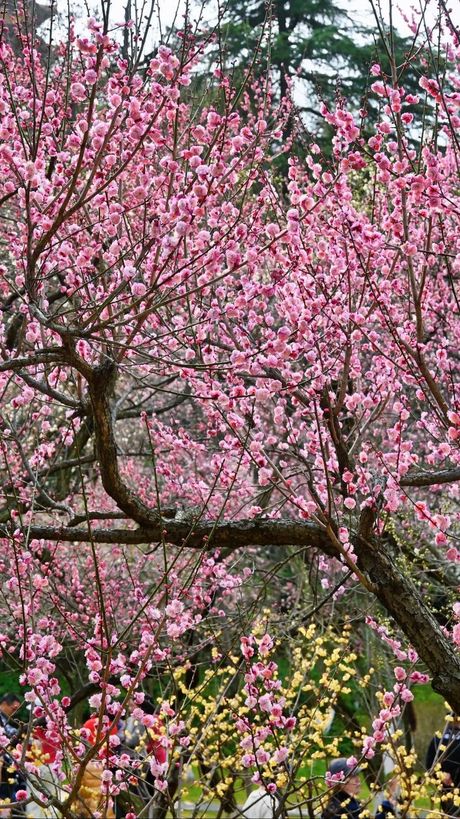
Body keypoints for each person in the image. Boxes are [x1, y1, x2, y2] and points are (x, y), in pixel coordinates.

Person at [322, 758, 396, 819]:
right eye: (352, 776)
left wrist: (385, 807)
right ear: (339, 782)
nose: (358, 779)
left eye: (357, 774)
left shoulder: (340, 803)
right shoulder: (346, 810)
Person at [426, 713, 460, 816]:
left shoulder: (438, 738)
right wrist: (440, 775)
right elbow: (430, 764)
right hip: (446, 788)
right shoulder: (439, 739)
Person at [0, 694, 24, 818]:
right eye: (13, 709)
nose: (14, 713)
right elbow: (7, 733)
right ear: (4, 704)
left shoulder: (5, 719)